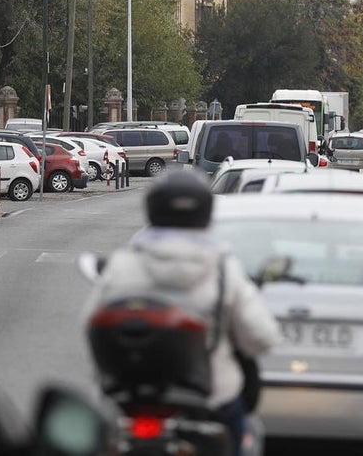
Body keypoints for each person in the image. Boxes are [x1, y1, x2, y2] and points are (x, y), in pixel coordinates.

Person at [86, 171, 281, 454]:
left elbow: (90, 325)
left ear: (152, 208)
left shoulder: (123, 264)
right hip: (209, 399)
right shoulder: (223, 268)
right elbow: (261, 336)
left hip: (128, 396)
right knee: (243, 433)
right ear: (205, 212)